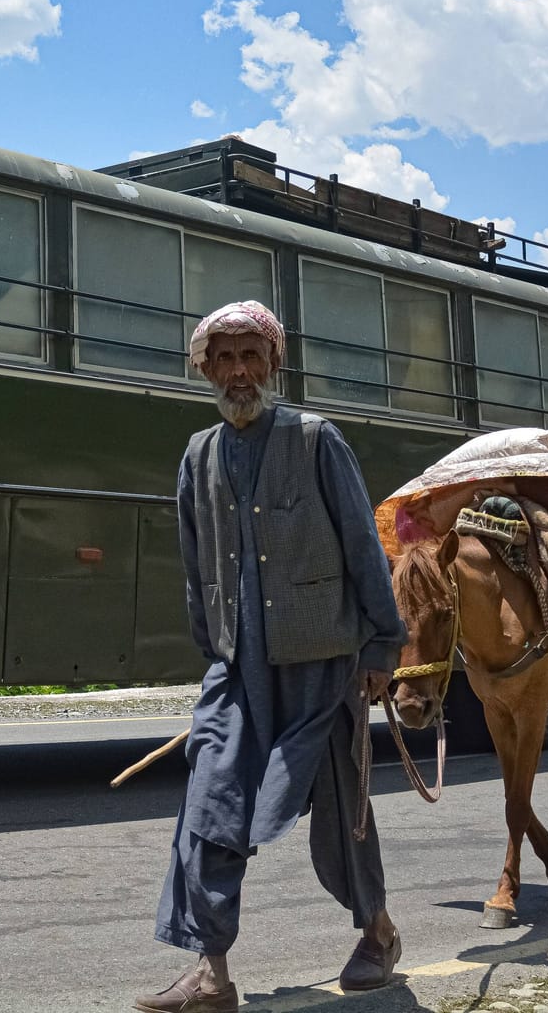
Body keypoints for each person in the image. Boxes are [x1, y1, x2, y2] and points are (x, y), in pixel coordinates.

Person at [136, 300, 409, 1013]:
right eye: (222, 358)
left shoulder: (318, 440)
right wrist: (214, 653)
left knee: (341, 810)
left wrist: (382, 642)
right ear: (204, 369)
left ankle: (377, 932)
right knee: (209, 803)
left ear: (274, 362)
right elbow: (196, 564)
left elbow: (362, 547)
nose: (237, 371)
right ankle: (211, 974)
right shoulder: (199, 453)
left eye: (249, 355)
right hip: (236, 668)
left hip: (323, 661)